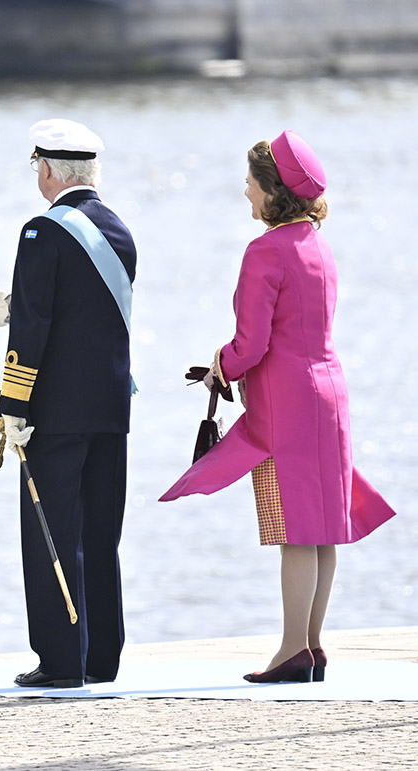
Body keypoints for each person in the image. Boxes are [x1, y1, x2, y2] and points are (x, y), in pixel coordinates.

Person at [160, 130, 396, 683]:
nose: (245, 192)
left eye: (250, 183)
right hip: (328, 394)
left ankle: (292, 648)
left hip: (285, 404)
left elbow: (252, 343)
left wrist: (221, 362)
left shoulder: (265, 250)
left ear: (273, 191)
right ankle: (312, 645)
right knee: (322, 527)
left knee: (293, 527)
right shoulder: (316, 243)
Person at [0, 119, 137, 688]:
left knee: (49, 533)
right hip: (110, 408)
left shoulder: (41, 232)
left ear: (47, 170)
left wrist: (14, 405)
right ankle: (101, 658)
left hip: (55, 413)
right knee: (99, 535)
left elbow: (37, 328)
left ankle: (60, 661)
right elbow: (85, 316)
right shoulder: (119, 230)